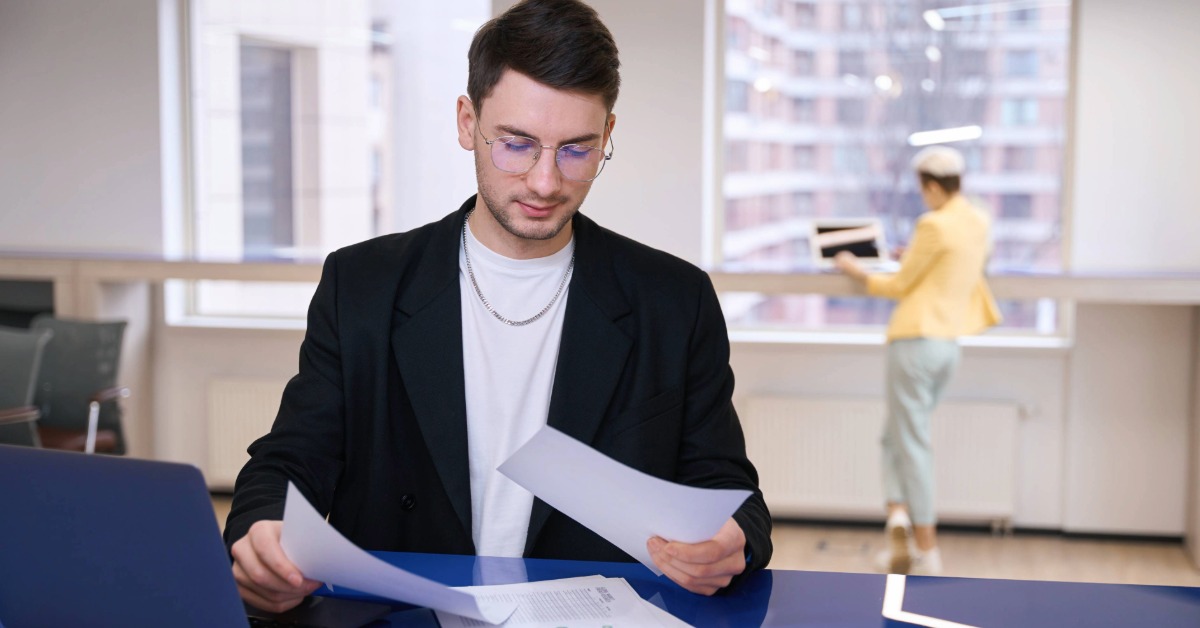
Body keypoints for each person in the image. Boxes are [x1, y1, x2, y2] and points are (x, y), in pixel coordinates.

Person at [224, 0, 772, 613]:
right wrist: (260, 531)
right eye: (517, 144)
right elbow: (291, 457)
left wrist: (732, 541)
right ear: (467, 122)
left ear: (607, 137)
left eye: (576, 150)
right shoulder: (364, 283)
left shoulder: (673, 300)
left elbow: (732, 495)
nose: (545, 181)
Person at [834, 145, 1000, 576]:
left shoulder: (932, 223)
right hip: (947, 345)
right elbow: (955, 268)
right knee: (895, 437)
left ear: (930, 186)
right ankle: (898, 526)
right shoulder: (977, 221)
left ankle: (928, 550)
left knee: (912, 443)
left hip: (914, 342)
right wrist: (912, 259)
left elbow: (899, 287)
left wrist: (854, 269)